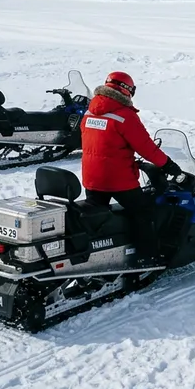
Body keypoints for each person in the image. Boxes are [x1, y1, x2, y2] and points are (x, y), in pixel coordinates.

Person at [81, 71, 182, 262]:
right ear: (127, 90)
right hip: (118, 180)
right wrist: (168, 165)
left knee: (99, 220)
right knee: (144, 213)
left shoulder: (89, 112)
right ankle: (147, 257)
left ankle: (100, 257)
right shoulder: (124, 116)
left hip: (92, 178)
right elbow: (146, 147)